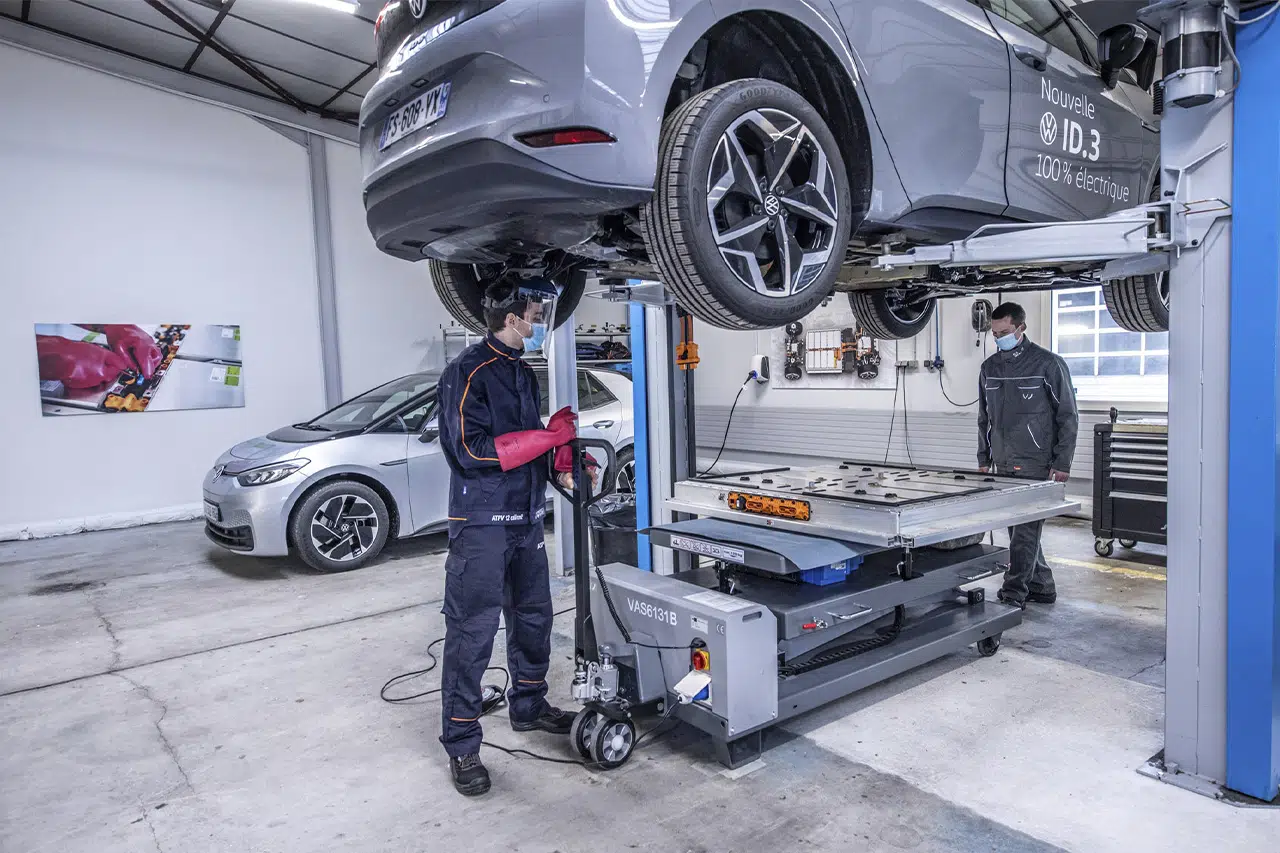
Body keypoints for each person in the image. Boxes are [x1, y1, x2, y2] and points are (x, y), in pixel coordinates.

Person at [434, 278, 585, 797]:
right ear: (513, 317)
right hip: (480, 525)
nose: (541, 319)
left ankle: (527, 704)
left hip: (525, 520)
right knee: (473, 631)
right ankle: (462, 742)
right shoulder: (466, 371)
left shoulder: (523, 373)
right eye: (537, 311)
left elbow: (529, 446)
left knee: (534, 616)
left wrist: (560, 465)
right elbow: (471, 453)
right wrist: (547, 437)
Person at [976, 302, 1079, 608]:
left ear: (1021, 328)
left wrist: (1062, 463)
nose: (998, 339)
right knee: (1021, 530)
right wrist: (984, 458)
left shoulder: (1049, 365)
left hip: (1036, 462)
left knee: (1024, 532)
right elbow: (984, 418)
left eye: (1004, 332)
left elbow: (1068, 416)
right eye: (994, 334)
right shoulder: (989, 368)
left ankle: (1013, 593)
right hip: (1003, 462)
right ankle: (1042, 585)